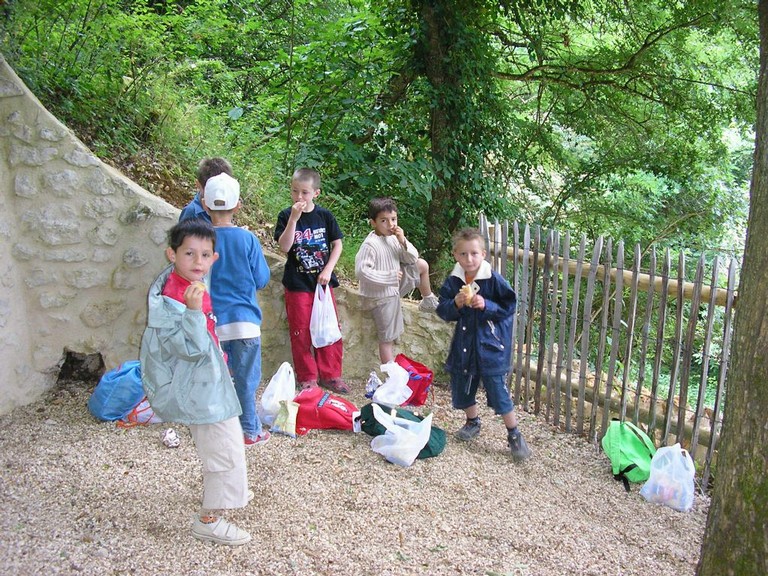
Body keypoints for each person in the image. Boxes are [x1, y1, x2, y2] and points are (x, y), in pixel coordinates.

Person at [140, 218, 252, 546]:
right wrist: (192, 312)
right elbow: (191, 349)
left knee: (227, 442)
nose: (198, 262)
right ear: (172, 254)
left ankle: (231, 489)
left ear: (214, 258)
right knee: (224, 449)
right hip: (199, 388)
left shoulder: (186, 282)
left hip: (208, 382)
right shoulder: (176, 298)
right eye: (189, 253)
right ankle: (209, 520)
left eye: (205, 255)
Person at [435, 228, 531, 462]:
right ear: (455, 255)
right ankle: (472, 421)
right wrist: (455, 304)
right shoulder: (454, 280)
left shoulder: (493, 279)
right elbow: (443, 310)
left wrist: (486, 305)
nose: (469, 259)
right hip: (464, 344)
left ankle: (514, 434)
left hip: (491, 346)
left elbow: (509, 307)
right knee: (463, 383)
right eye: (463, 254)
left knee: (498, 389)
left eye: (474, 253)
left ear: (483, 254)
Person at [203, 172, 272, 447]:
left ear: (205, 205)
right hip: (245, 322)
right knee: (246, 380)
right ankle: (250, 431)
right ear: (238, 206)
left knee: (215, 379)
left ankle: (216, 430)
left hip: (212, 324)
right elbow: (262, 279)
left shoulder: (201, 241)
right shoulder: (248, 239)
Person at [274, 168, 348, 393]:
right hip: (297, 284)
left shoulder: (325, 216)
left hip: (322, 284)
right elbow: (285, 246)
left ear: (316, 193)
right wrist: (294, 220)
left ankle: (331, 374)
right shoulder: (286, 216)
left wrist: (329, 269)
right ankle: (307, 377)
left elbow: (337, 244)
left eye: (305, 192)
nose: (299, 197)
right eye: (295, 191)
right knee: (301, 331)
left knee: (328, 328)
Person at [354, 197, 440, 364]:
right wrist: (388, 277)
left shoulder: (393, 239)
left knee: (421, 264)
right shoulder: (370, 245)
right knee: (387, 338)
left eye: (393, 219)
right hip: (379, 296)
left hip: (392, 287)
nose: (390, 224)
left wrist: (403, 241)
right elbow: (362, 272)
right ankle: (390, 373)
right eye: (384, 221)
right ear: (373, 223)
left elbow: (412, 258)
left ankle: (428, 300)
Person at [178, 157, 234, 223]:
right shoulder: (191, 214)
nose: (216, 195)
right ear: (198, 185)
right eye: (211, 191)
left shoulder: (227, 204)